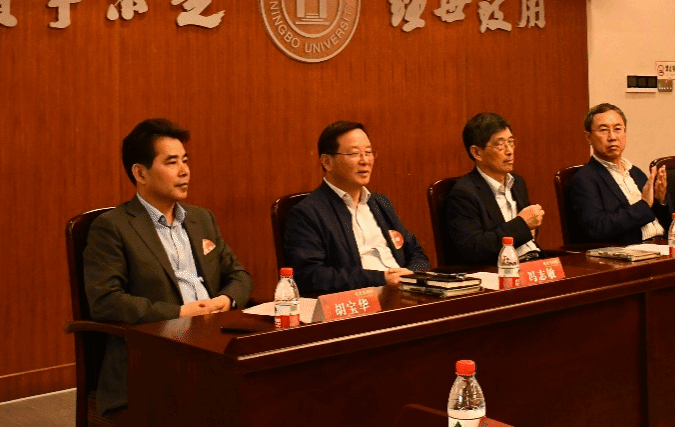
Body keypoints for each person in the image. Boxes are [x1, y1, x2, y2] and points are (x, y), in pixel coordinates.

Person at [83, 118, 253, 416]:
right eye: (171, 162)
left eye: (185, 160)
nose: (184, 170)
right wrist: (180, 312)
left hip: (217, 342)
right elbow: (106, 301)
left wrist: (225, 300)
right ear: (140, 173)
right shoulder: (113, 227)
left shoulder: (202, 219)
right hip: (156, 357)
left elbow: (239, 275)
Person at [284, 121, 430, 297]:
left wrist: (410, 275)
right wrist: (382, 278)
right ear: (327, 162)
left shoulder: (380, 203)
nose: (365, 161)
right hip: (361, 301)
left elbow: (416, 252)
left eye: (368, 152)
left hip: (403, 294)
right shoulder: (307, 213)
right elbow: (311, 275)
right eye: (354, 154)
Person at [442, 112, 545, 266]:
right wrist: (522, 225)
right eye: (500, 144)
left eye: (511, 142)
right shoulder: (464, 193)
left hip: (532, 262)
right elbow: (474, 249)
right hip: (498, 270)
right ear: (477, 152)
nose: (509, 151)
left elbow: (528, 232)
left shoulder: (517, 182)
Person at [566, 103, 672, 244]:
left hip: (661, 244)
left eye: (617, 129)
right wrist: (644, 205)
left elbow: (667, 223)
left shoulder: (636, 173)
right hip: (629, 250)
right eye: (603, 130)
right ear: (588, 137)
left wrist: (661, 201)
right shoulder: (584, 179)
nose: (612, 137)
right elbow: (597, 228)